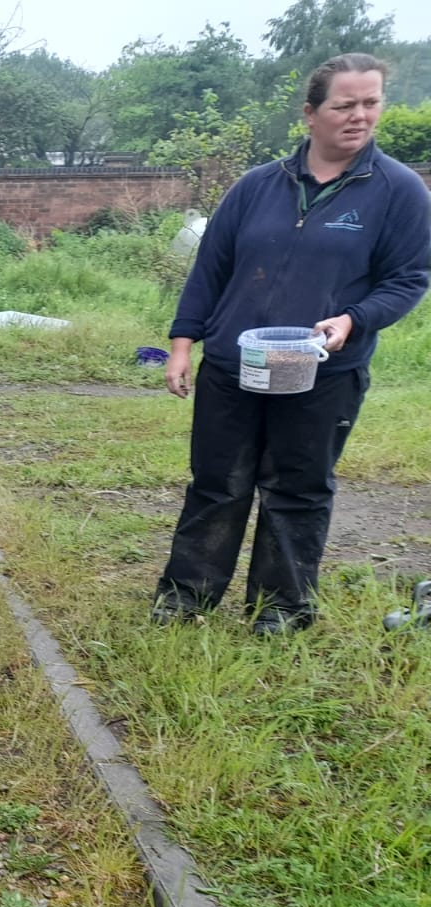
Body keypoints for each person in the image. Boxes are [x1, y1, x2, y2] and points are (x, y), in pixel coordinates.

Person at [154, 53, 430, 634]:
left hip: (322, 371)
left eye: (371, 103)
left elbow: (408, 278)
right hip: (235, 364)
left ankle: (280, 609)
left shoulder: (398, 191)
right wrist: (183, 345)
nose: (360, 116)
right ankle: (186, 595)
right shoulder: (257, 186)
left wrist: (354, 319)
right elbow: (210, 269)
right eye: (344, 105)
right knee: (217, 482)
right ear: (310, 113)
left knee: (298, 488)